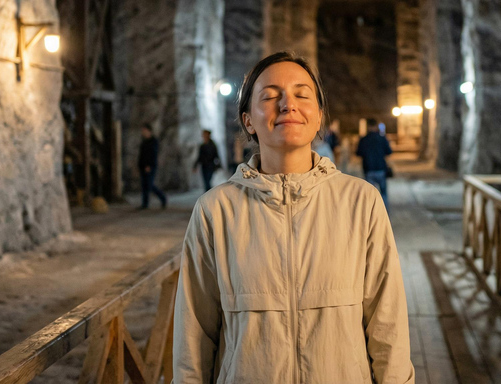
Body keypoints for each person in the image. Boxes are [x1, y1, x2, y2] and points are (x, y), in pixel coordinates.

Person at [173, 52, 414, 383]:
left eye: (302, 95)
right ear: (248, 120)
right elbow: (194, 332)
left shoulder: (361, 202)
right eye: (271, 96)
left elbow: (388, 324)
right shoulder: (216, 210)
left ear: (317, 118)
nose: (288, 105)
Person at [356, 118, 393, 208]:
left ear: (368, 127)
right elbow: (389, 151)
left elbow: (358, 153)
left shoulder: (364, 139)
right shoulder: (382, 138)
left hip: (369, 169)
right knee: (383, 193)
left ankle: (372, 214)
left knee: (370, 194)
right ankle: (384, 213)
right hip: (381, 168)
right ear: (376, 126)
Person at [138, 123, 167, 210]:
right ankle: (145, 204)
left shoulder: (153, 141)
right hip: (142, 166)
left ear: (149, 131)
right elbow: (142, 155)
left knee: (150, 185)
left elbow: (152, 155)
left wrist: (149, 165)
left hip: (150, 166)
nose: (143, 132)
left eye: (144, 130)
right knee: (144, 185)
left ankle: (163, 198)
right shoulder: (144, 141)